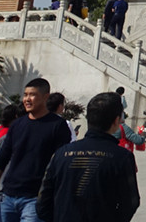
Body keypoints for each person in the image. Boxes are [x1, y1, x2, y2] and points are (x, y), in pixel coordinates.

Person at [36, 91, 138, 222]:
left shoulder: (61, 154)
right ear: (116, 120)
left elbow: (43, 199)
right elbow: (131, 201)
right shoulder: (122, 157)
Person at [0, 77, 72, 222]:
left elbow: (61, 164)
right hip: (8, 195)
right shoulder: (17, 125)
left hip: (35, 199)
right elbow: (2, 159)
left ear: (45, 97)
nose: (27, 99)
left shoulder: (57, 126)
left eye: (32, 95)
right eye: (25, 95)